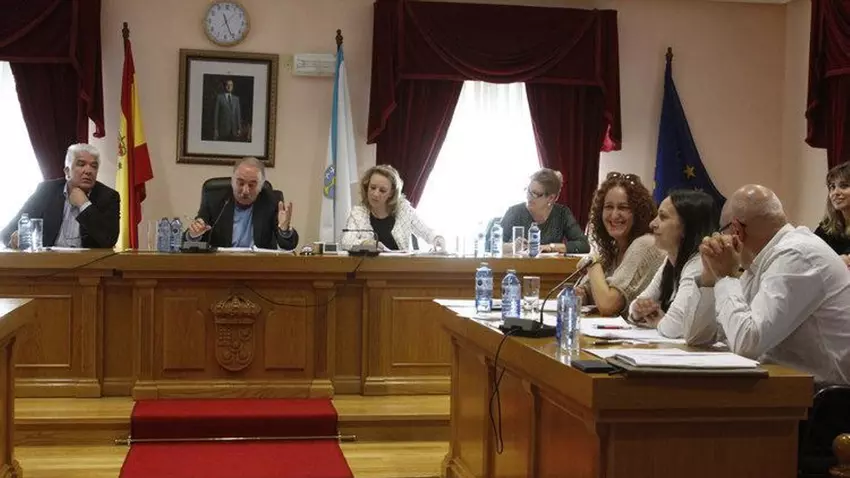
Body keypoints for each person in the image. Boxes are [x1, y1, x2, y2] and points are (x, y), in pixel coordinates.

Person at [695, 184, 850, 385]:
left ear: (736, 231)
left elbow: (746, 344)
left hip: (823, 396)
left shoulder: (796, 254)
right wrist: (709, 279)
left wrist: (725, 277)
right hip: (786, 385)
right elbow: (699, 338)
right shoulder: (761, 261)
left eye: (721, 232)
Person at [628, 190, 717, 339]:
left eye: (662, 217)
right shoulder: (670, 260)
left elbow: (674, 328)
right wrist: (638, 310)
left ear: (686, 227)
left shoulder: (700, 264)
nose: (652, 224)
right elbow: (637, 304)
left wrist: (659, 322)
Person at [575, 172, 664, 316]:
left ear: (638, 213)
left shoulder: (645, 244)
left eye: (623, 207)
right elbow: (587, 292)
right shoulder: (614, 249)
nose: (614, 215)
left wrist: (592, 263)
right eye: (609, 207)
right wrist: (583, 293)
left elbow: (608, 305)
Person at [1, 143, 119, 249]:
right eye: (81, 164)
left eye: (94, 166)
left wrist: (84, 205)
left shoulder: (108, 197)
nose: (88, 171)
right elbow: (7, 233)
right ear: (67, 172)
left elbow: (109, 240)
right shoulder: (46, 191)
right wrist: (15, 239)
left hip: (89, 264)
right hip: (48, 262)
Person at [186, 157, 298, 250]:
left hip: (259, 266)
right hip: (221, 265)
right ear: (232, 181)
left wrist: (284, 231)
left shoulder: (272, 201)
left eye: (252, 185)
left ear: (261, 186)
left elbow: (288, 245)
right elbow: (191, 239)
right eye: (240, 183)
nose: (245, 191)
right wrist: (194, 235)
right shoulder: (214, 199)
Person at [340, 165, 445, 251]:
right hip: (369, 268)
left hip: (400, 267)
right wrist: (366, 243)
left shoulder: (404, 209)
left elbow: (426, 231)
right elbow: (346, 242)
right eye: (372, 188)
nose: (375, 194)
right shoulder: (358, 213)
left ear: (391, 193)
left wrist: (437, 238)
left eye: (382, 190)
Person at [498, 168, 589, 254]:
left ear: (551, 198)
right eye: (528, 191)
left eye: (535, 194)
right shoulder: (514, 212)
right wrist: (512, 246)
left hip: (549, 265)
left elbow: (583, 245)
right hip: (518, 264)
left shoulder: (562, 213)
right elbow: (492, 244)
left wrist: (550, 247)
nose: (529, 197)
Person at [814, 162, 850, 265]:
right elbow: (810, 252)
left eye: (844, 186)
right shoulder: (826, 227)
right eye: (832, 187)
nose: (835, 193)